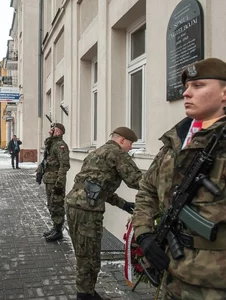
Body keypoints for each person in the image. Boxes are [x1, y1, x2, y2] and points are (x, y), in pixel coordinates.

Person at [132, 57, 226, 300]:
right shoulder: (176, 140)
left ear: (224, 93)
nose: (186, 93)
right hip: (170, 274)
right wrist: (145, 234)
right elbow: (147, 190)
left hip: (212, 283)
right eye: (186, 87)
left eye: (198, 86)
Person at [65, 126, 142, 300]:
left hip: (73, 206)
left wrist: (123, 205)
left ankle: (88, 292)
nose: (131, 148)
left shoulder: (96, 152)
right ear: (121, 140)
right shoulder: (118, 153)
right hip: (87, 211)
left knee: (84, 254)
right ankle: (84, 296)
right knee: (89, 258)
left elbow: (98, 187)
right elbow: (136, 180)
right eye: (130, 144)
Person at [40, 123, 70, 242]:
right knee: (51, 204)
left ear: (58, 132)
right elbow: (46, 161)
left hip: (55, 181)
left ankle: (58, 231)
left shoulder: (60, 146)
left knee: (57, 205)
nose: (49, 131)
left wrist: (59, 183)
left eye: (52, 129)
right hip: (49, 179)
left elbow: (64, 165)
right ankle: (55, 226)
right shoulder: (51, 145)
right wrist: (39, 171)